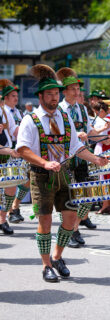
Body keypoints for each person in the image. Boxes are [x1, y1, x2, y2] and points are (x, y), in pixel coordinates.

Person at [16, 64, 110, 282]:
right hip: (41, 176)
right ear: (40, 96)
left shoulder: (65, 117)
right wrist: (45, 162)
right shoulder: (30, 119)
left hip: (64, 174)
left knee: (70, 219)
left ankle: (57, 256)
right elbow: (22, 149)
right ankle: (46, 265)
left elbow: (76, 147)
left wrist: (96, 159)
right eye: (49, 94)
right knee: (45, 221)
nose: (53, 97)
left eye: (56, 93)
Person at [57, 67, 110, 248]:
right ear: (64, 91)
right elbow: (55, 134)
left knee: (86, 197)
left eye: (77, 88)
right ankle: (70, 231)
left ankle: (75, 227)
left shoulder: (81, 108)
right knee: (69, 198)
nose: (76, 91)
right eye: (72, 88)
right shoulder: (59, 109)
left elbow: (89, 132)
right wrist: (73, 135)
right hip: (65, 159)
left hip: (82, 158)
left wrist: (102, 137)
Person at [2, 79, 29, 224]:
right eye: (13, 96)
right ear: (5, 98)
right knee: (8, 183)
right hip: (7, 150)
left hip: (18, 149)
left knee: (25, 180)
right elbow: (14, 132)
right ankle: (9, 213)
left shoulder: (18, 112)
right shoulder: (4, 111)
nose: (16, 98)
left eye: (16, 96)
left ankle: (14, 207)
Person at [93, 101, 110, 214]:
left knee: (105, 177)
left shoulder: (106, 120)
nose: (96, 115)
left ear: (102, 111)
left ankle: (106, 204)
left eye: (96, 112)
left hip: (106, 148)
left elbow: (100, 136)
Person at [0, 89, 19, 234]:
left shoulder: (6, 112)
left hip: (7, 151)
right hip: (5, 150)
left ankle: (3, 217)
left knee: (11, 186)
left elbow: (13, 130)